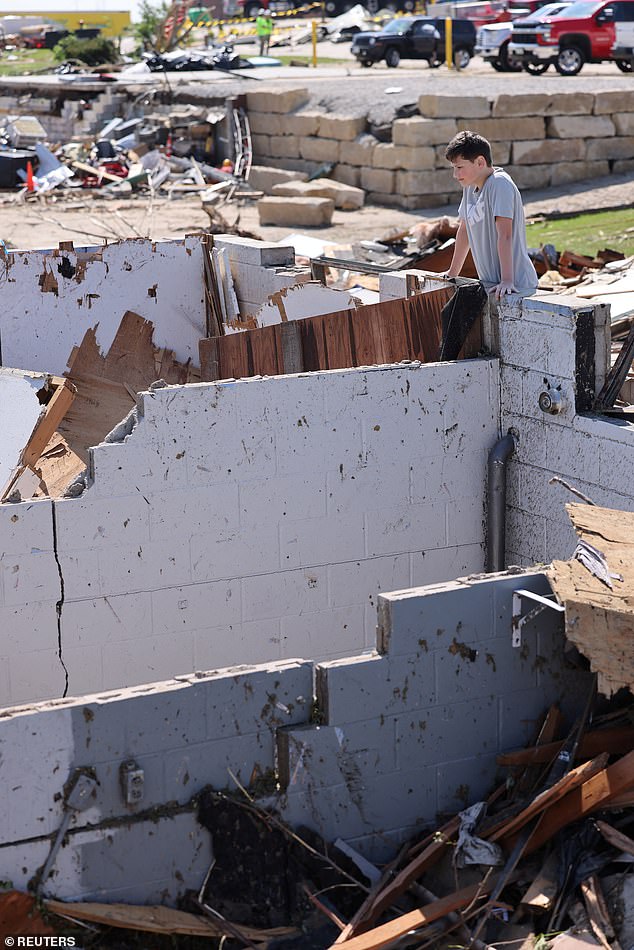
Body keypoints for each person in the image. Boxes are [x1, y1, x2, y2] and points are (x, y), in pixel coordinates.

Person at [444, 130, 538, 300]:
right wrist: (452, 274)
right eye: (454, 168)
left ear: (480, 162)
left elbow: (505, 235)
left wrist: (507, 280)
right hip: (491, 285)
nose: (455, 175)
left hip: (516, 287)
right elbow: (465, 231)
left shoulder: (499, 184)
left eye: (459, 168)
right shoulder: (469, 188)